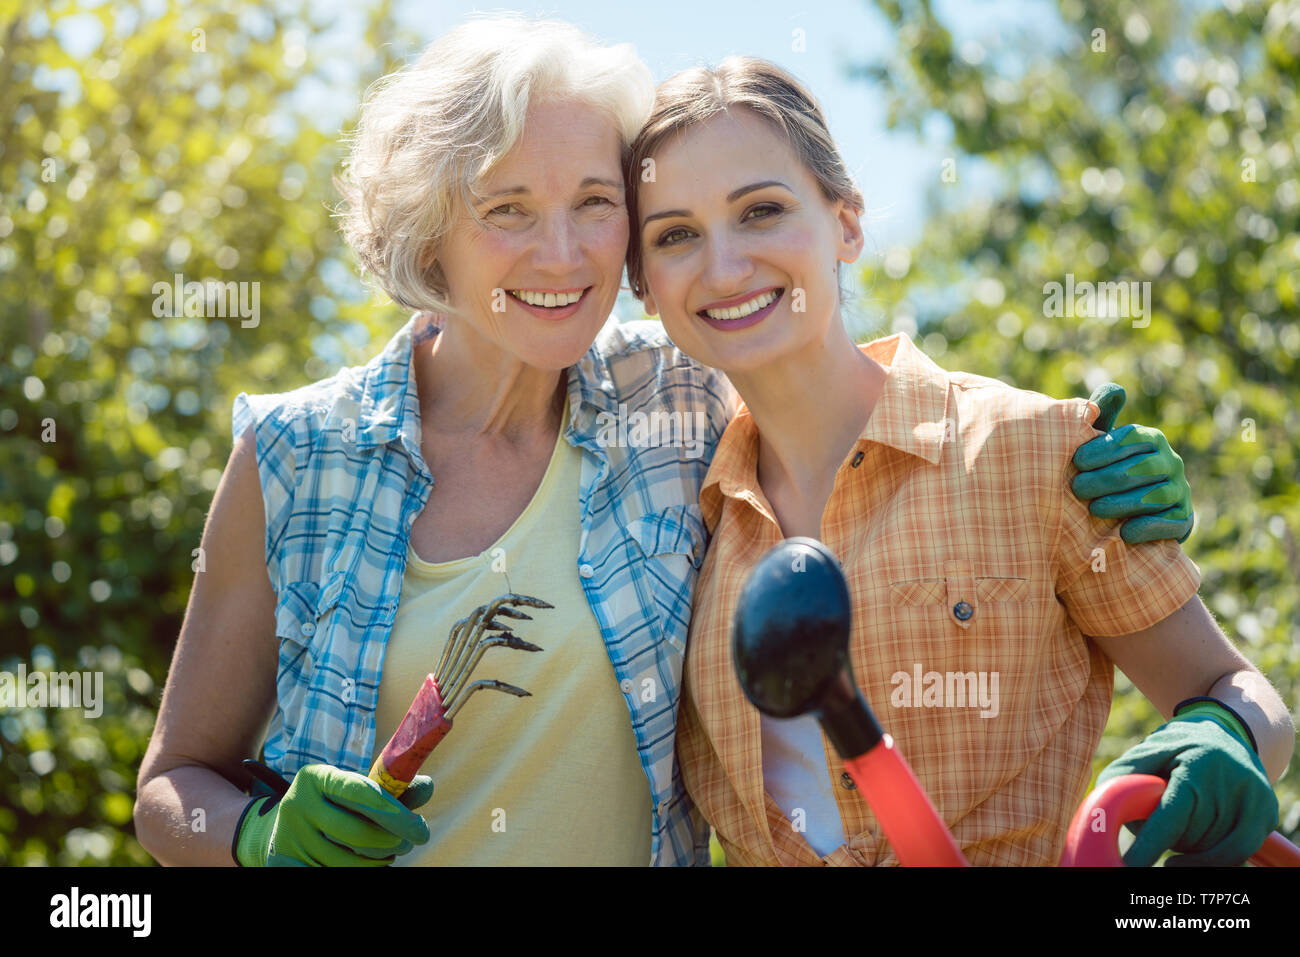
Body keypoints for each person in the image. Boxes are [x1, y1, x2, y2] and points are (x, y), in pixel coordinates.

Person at [133, 16, 1196, 868]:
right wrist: (253, 838)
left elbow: (842, 381)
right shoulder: (294, 457)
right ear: (429, 234)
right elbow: (171, 784)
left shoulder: (676, 394)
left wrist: (1086, 465)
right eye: (508, 208)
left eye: (595, 203)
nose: (561, 252)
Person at [625, 56, 1292, 866]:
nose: (724, 266)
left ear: (847, 224)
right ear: (644, 284)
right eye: (676, 235)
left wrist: (1224, 734)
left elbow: (1237, 689)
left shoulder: (1034, 450)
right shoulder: (675, 528)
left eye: (761, 211)